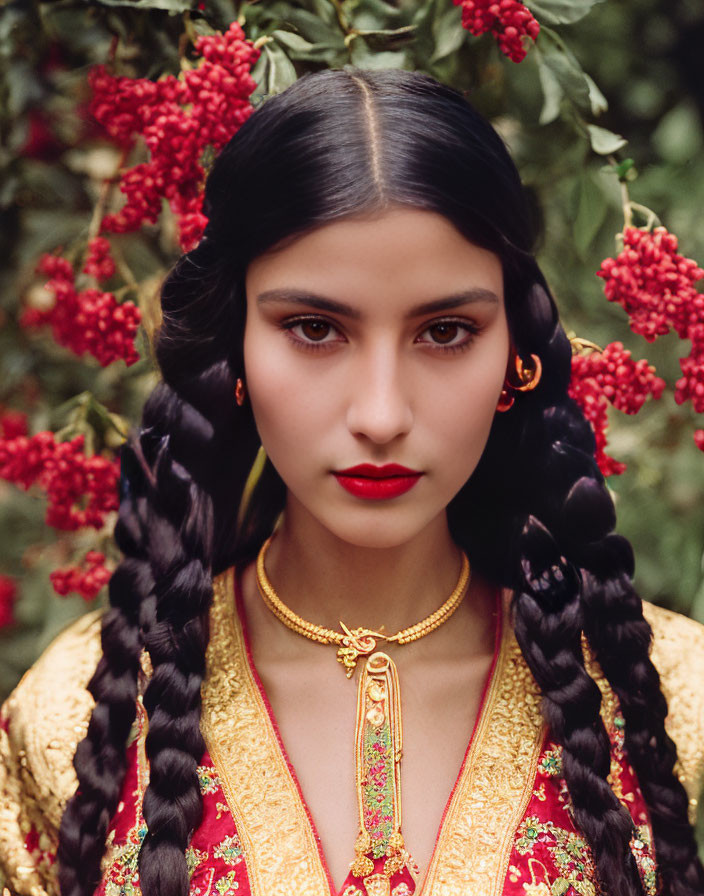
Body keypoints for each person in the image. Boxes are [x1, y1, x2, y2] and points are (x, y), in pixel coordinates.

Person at [1, 66, 703, 896]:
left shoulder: (672, 701)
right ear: (234, 353)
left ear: (515, 355)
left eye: (445, 331)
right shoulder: (77, 718)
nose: (380, 414)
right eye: (313, 328)